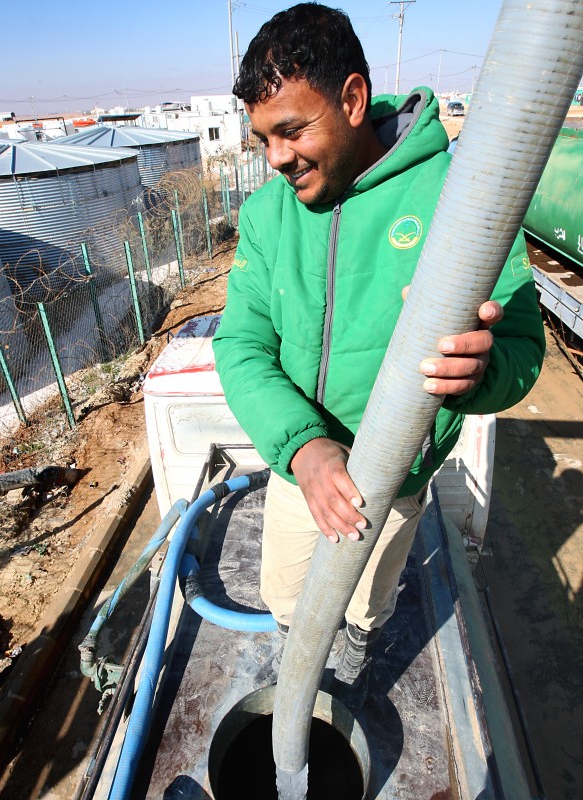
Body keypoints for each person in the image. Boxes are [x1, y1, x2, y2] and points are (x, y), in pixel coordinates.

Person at [213, 2, 545, 683]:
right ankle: (301, 668)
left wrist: (481, 375)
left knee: (365, 604)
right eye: (262, 140)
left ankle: (354, 663)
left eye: (291, 131)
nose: (275, 158)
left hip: (393, 484)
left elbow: (520, 345)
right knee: (286, 595)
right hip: (298, 469)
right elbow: (241, 344)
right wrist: (303, 448)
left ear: (354, 99)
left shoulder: (460, 196)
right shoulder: (265, 216)